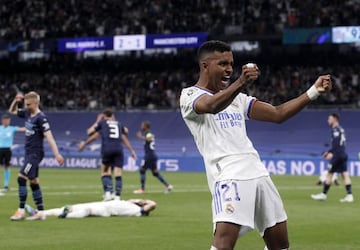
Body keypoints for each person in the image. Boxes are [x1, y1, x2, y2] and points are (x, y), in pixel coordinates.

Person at [179, 40, 332, 250]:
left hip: (258, 173)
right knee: (223, 245)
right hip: (229, 175)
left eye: (231, 64)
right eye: (223, 64)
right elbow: (211, 106)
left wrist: (313, 91)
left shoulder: (238, 99)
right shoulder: (189, 95)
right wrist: (241, 82)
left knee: (280, 244)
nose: (229, 69)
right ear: (205, 66)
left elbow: (277, 114)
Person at [8, 91, 64, 221]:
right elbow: (12, 111)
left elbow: (49, 136)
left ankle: (21, 211)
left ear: (35, 103)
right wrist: (16, 101)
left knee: (21, 177)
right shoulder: (28, 113)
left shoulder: (41, 118)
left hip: (35, 153)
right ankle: (41, 212)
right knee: (33, 181)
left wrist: (56, 154)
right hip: (28, 153)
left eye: (28, 104)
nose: (25, 106)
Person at [78, 109, 137, 201]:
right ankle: (117, 196)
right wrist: (132, 150)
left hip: (107, 148)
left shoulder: (102, 123)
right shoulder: (118, 124)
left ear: (103, 116)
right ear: (112, 115)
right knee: (118, 173)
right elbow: (126, 132)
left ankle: (108, 193)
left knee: (105, 171)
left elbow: (89, 132)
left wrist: (98, 120)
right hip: (118, 149)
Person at [311, 113, 354, 203]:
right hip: (343, 154)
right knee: (344, 174)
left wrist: (329, 152)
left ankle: (323, 194)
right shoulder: (341, 129)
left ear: (335, 119)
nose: (328, 121)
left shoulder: (335, 130)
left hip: (337, 155)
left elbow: (336, 145)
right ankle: (349, 195)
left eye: (329, 119)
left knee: (329, 174)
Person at [133, 120, 173, 194]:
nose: (141, 126)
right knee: (155, 173)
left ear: (146, 126)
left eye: (142, 125)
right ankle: (168, 185)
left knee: (142, 170)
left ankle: (142, 189)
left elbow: (149, 139)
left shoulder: (148, 133)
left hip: (149, 156)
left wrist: (141, 137)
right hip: (152, 155)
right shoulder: (147, 134)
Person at [26, 198, 157, 218]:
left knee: (86, 211)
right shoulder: (129, 203)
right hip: (101, 203)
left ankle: (66, 216)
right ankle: (39, 213)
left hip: (107, 211)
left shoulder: (138, 211)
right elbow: (130, 200)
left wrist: (143, 201)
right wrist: (136, 200)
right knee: (70, 207)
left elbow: (153, 204)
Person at [0, 114, 25, 190]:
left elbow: (22, 129)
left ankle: (6, 184)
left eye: (8, 120)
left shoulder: (12, 128)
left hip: (8, 149)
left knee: (7, 166)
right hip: (0, 149)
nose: (7, 122)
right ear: (2, 121)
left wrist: (31, 125)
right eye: (5, 120)